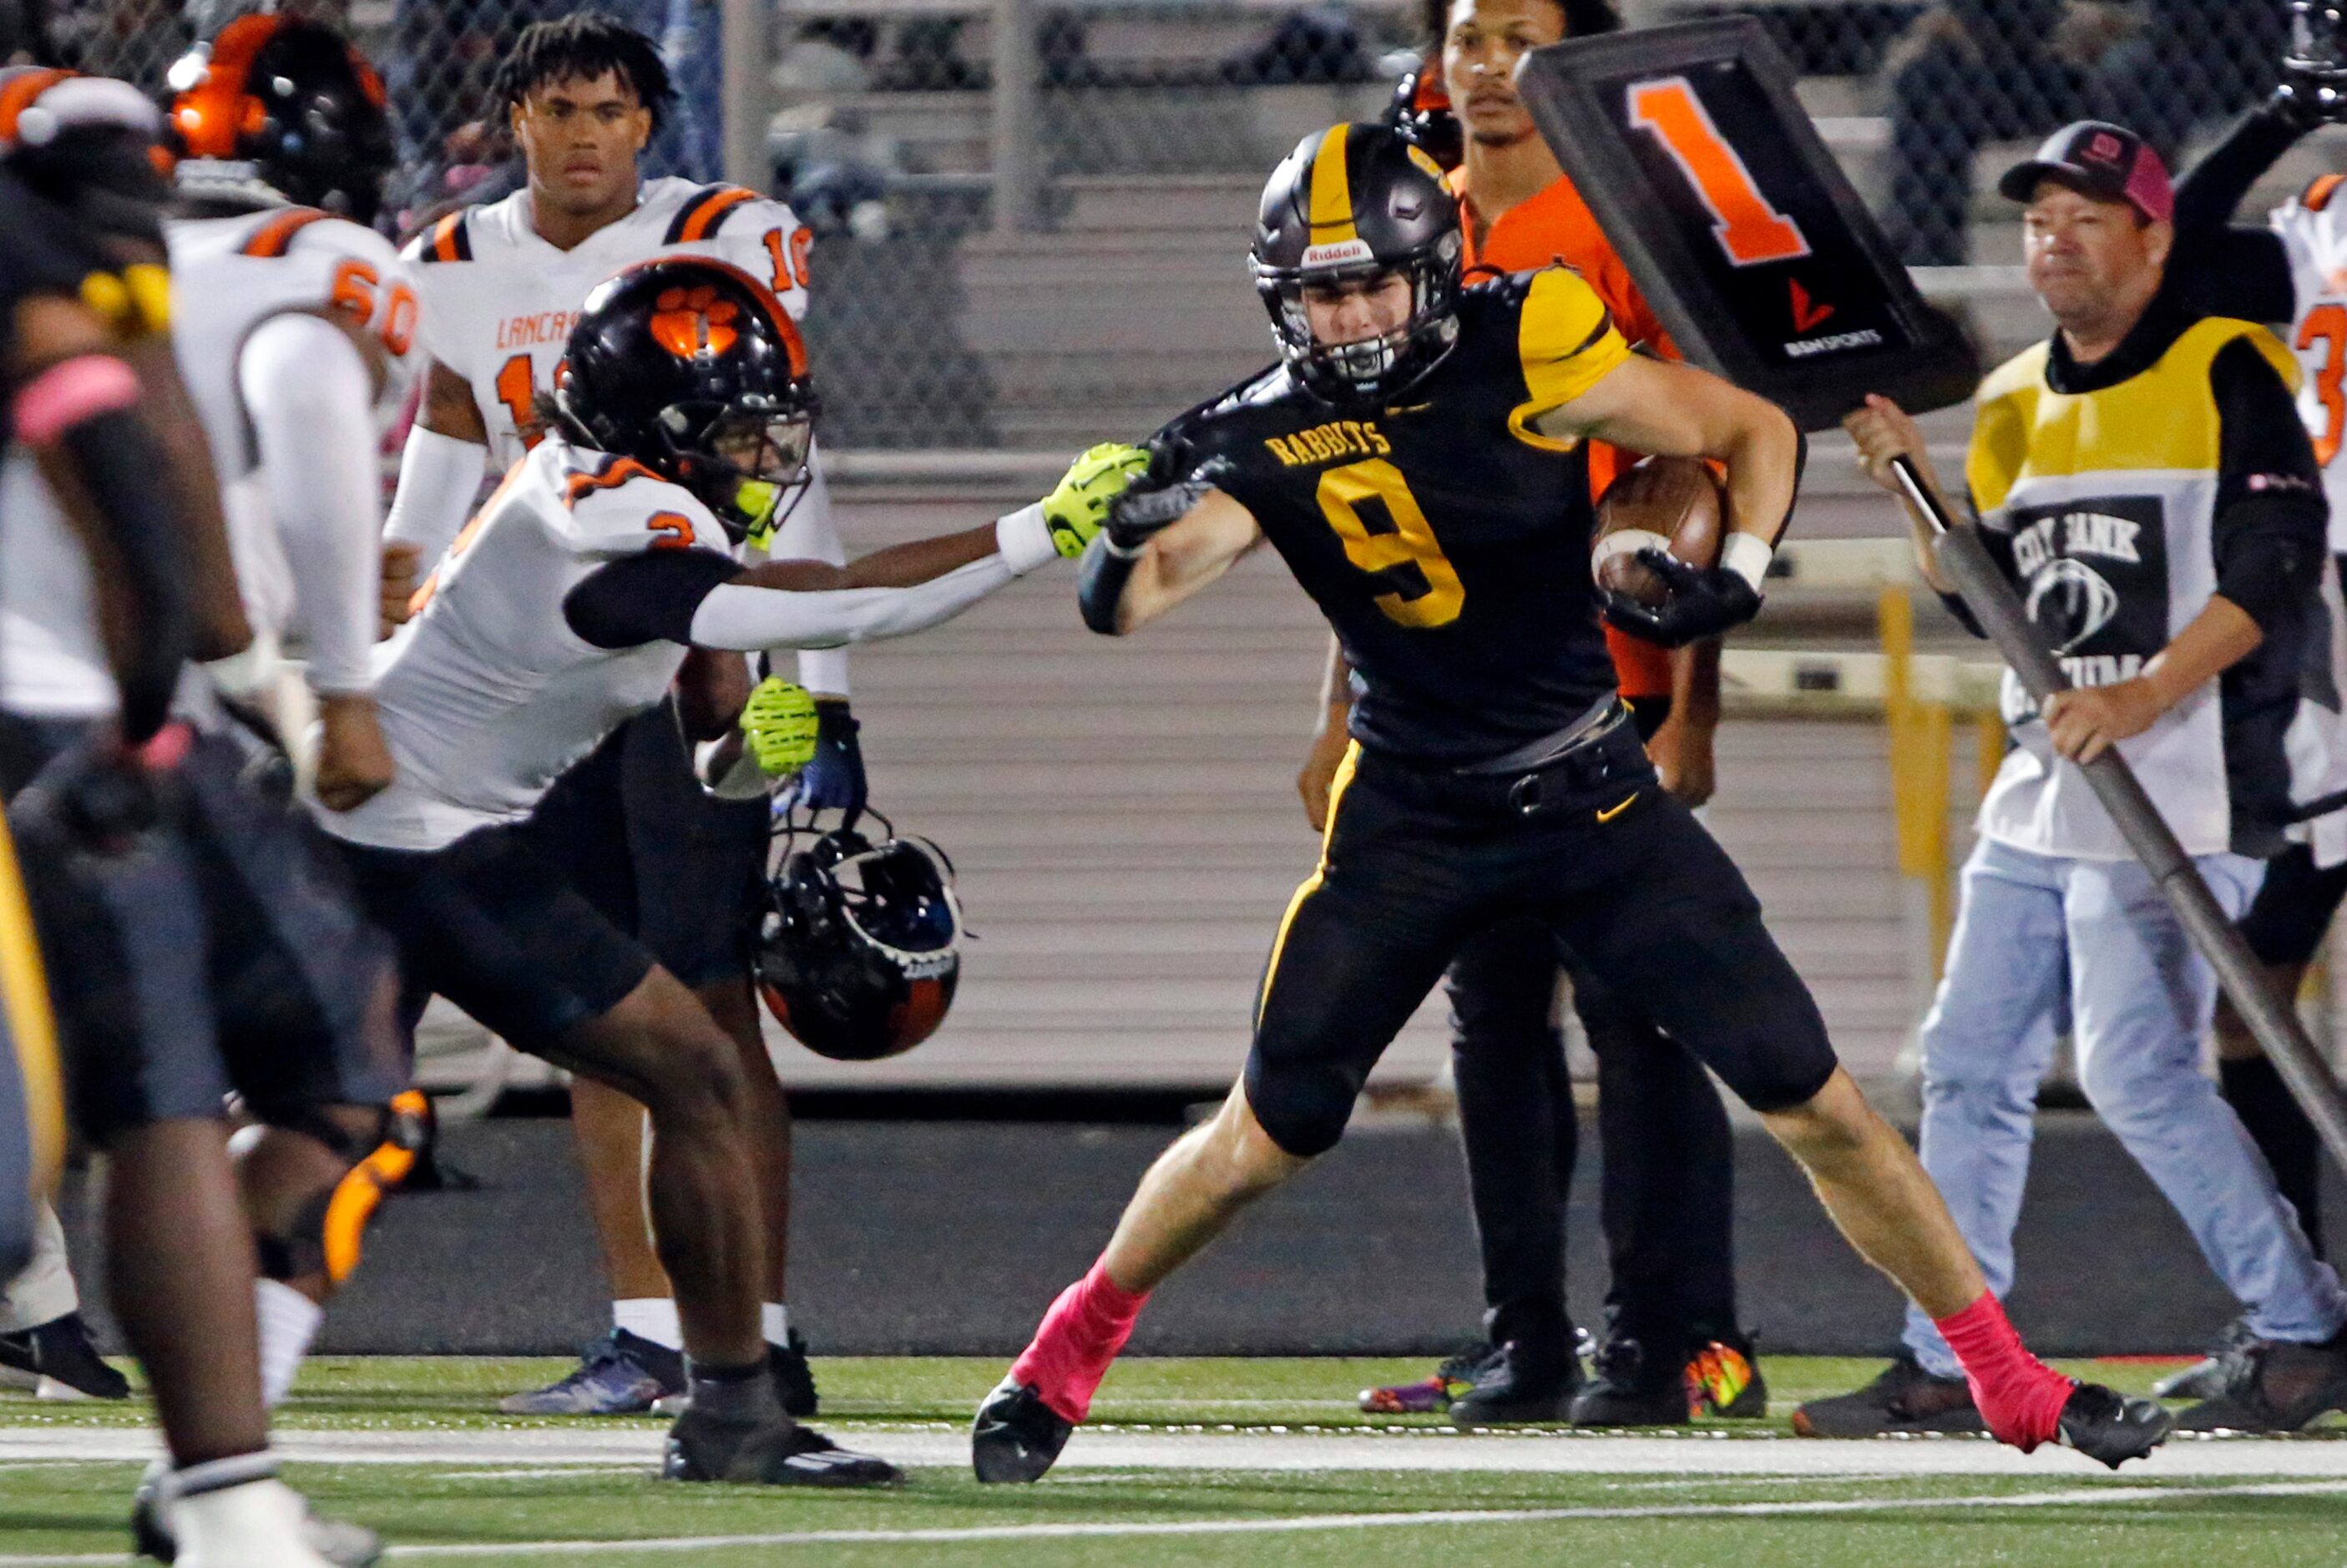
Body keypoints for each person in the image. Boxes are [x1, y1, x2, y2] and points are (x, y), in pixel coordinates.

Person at [972, 122, 2172, 1485]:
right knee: (1268, 1130)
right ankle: (1060, 1354)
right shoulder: (1249, 430)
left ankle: (2005, 1378)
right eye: (1321, 291)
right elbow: (1136, 604)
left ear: (1435, 268)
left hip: (1593, 786)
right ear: (1279, 300)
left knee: (1814, 1093)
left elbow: (1747, 425)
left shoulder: (1529, 329)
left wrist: (1746, 564)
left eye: (1373, 282)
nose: (1352, 315)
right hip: (1413, 817)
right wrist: (1125, 538)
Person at [317, 252, 1130, 1486]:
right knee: (330, 1118)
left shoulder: (647, 515)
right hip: (389, 831)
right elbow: (848, 602)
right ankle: (731, 1413)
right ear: (663, 433)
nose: (766, 460)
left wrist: (759, 747)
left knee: (652, 1079)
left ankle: (731, 1411)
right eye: (742, 434)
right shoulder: (603, 519)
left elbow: (711, 749)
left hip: (441, 830)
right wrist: (1034, 530)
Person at [1802, 121, 2347, 1439]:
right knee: (1969, 1060)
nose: (2057, 240)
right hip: (2048, 780)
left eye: (2090, 218)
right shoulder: (2008, 401)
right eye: (2041, 218)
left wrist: (2145, 693)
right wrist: (1913, 489)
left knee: (2136, 1069)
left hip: (2191, 776)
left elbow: (2276, 563)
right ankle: (1952, 1351)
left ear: (2157, 239)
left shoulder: (2231, 364)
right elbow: (1998, 589)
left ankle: (2300, 1326)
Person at [382, 12, 849, 1418]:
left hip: (702, 651)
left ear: (649, 125)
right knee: (595, 1009)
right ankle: (648, 1327)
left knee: (711, 993)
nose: (583, 134)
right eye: (557, 108)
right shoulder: (454, 262)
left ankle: (749, 1326)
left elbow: (783, 472)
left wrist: (818, 698)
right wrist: (397, 612)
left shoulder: (730, 233)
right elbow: (446, 447)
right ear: (513, 118)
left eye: (608, 109)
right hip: (549, 660)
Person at [1337, 0, 1759, 1429]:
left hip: (1607, 688)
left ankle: (1679, 1340)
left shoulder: (1625, 223)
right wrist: (1340, 701)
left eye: (1525, 34)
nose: (1492, 64)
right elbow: (1355, 491)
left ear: (1575, 61)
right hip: (1451, 695)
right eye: (1470, 33)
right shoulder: (1408, 227)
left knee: (1640, 1012)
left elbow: (1708, 454)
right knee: (1493, 1018)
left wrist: (1694, 705)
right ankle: (1527, 1336)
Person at [0, 59, 352, 1566]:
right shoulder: (48, 266)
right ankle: (221, 1493)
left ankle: (223, 1489)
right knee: (164, 1090)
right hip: (55, 715)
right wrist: (177, 690)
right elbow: (127, 462)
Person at [2147, 63, 2347, 1389]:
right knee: (2246, 1001)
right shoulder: (2322, 215)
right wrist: (2278, 112)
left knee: (2245, 997)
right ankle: (2305, 1326)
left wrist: (2280, 113)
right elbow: (2177, 260)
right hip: (2324, 627)